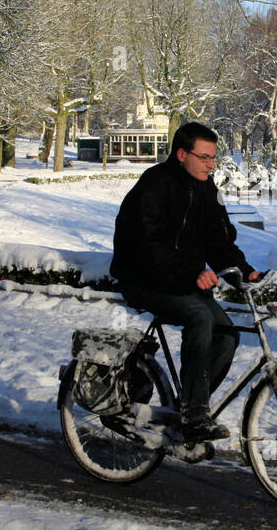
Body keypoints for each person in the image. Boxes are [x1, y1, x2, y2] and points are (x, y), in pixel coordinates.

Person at [110, 122, 262, 443]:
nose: (211, 165)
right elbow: (146, 244)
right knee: (201, 317)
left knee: (227, 335)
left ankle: (190, 405)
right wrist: (190, 273)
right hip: (142, 277)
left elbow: (219, 242)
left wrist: (244, 271)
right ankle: (193, 416)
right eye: (205, 157)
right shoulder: (154, 184)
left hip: (179, 279)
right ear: (182, 154)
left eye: (213, 158)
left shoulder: (206, 188)